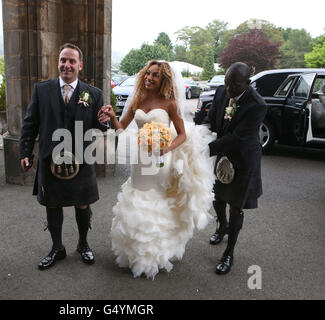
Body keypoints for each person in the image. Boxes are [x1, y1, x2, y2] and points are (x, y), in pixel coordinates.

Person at [98, 60, 215, 279]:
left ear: (164, 80)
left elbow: (181, 133)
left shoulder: (170, 103)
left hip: (162, 159)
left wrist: (167, 147)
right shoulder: (138, 100)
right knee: (137, 197)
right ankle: (136, 252)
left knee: (158, 201)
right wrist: (112, 116)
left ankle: (156, 254)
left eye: (155, 75)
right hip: (141, 158)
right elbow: (122, 128)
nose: (150, 78)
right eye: (148, 74)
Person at [19, 43, 109, 270]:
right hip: (51, 160)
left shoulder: (94, 94)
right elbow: (31, 123)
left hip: (82, 159)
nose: (66, 65)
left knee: (82, 204)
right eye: (63, 60)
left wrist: (105, 121)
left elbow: (100, 127)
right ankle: (57, 248)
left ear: (80, 65)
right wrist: (25, 152)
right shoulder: (42, 90)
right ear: (58, 62)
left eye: (71, 61)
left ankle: (83, 244)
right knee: (52, 205)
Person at [207, 62, 268, 275]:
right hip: (224, 153)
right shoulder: (222, 92)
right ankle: (221, 226)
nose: (229, 88)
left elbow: (237, 137)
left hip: (244, 159)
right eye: (227, 82)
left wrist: (204, 149)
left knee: (235, 206)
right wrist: (196, 133)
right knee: (217, 197)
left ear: (248, 83)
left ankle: (229, 254)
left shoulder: (257, 105)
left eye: (235, 84)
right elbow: (212, 120)